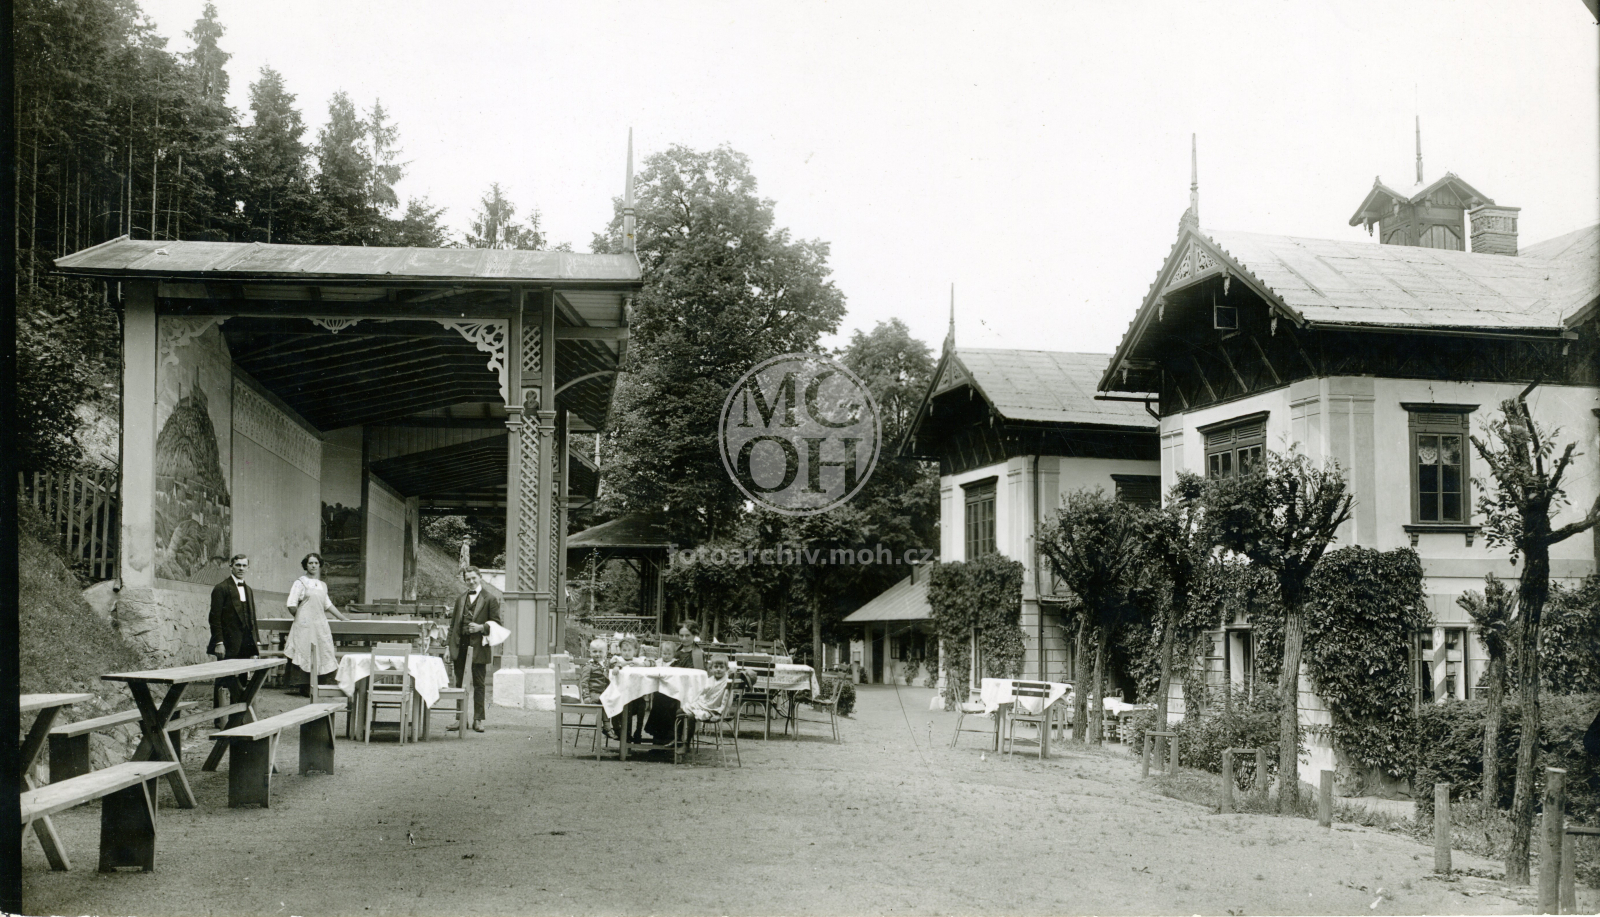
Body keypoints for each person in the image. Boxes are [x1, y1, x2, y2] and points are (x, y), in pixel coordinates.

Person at [283, 552, 346, 697]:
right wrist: (301, 619)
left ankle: (321, 685)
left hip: (319, 624)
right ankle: (305, 687)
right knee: (304, 650)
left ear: (320, 565)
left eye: (316, 563)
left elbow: (327, 604)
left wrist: (343, 618)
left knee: (323, 650)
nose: (313, 565)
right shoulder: (300, 582)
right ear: (305, 565)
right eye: (310, 563)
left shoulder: (323, 585)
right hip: (304, 625)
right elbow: (291, 604)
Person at [447, 566, 501, 732]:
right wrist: (448, 648)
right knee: (459, 683)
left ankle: (478, 719)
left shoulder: (490, 599)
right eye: (468, 579)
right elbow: (453, 625)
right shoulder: (460, 599)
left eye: (473, 578)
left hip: (478, 646)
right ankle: (460, 718)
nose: (470, 581)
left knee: (479, 683)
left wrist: (480, 628)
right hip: (460, 644)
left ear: (480, 578)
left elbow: (497, 624)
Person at [208, 554, 259, 705]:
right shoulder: (221, 588)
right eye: (238, 565)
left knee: (242, 679)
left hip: (245, 642)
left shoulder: (248, 590)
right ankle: (220, 719)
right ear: (231, 566)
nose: (241, 568)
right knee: (224, 679)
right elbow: (214, 618)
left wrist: (255, 643)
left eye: (244, 565)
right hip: (228, 643)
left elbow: (252, 618)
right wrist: (219, 642)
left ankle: (237, 717)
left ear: (248, 568)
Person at [676, 658, 735, 749]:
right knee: (680, 711)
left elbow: (726, 700)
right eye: (716, 667)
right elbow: (702, 693)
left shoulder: (727, 682)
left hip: (714, 710)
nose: (718, 669)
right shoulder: (711, 679)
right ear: (711, 668)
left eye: (721, 667)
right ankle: (678, 739)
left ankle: (686, 744)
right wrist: (694, 703)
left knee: (690, 716)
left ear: (726, 669)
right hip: (705, 705)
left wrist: (720, 713)